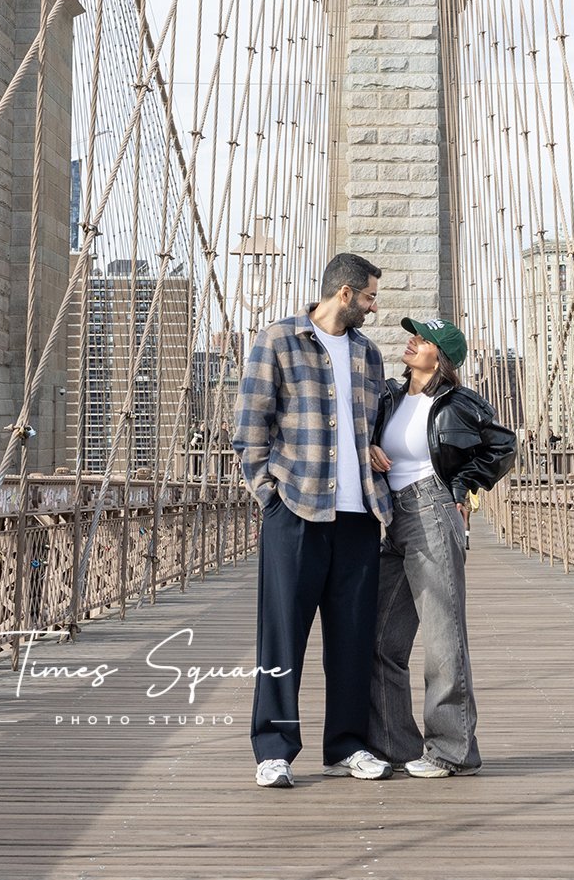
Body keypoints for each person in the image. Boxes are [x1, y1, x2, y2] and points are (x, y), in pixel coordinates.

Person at [231, 252, 395, 788]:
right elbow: (249, 424)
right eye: (369, 296)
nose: (374, 307)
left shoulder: (369, 356)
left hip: (357, 516)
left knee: (352, 638)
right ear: (345, 293)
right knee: (282, 636)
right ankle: (274, 749)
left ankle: (346, 746)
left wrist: (373, 451)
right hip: (296, 510)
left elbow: (373, 428)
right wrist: (267, 494)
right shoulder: (278, 340)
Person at [365, 315, 516, 778]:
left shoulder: (460, 402)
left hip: (432, 510)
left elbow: (503, 446)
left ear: (441, 358)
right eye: (414, 335)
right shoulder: (388, 395)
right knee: (379, 639)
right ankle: (397, 745)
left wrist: (463, 487)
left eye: (424, 339)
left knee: (441, 638)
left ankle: (453, 750)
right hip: (386, 516)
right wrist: (369, 446)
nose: (412, 342)